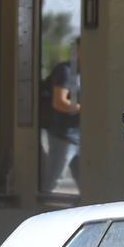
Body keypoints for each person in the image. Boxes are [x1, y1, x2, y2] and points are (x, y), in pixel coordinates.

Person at [41, 39, 81, 194]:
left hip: (80, 136)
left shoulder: (85, 72)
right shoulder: (65, 70)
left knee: (87, 186)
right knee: (53, 182)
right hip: (63, 135)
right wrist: (87, 110)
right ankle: (43, 215)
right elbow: (59, 102)